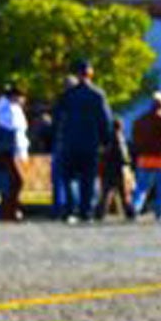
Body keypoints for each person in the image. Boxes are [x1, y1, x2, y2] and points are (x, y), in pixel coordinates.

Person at [52, 59, 113, 222]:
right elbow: (105, 120)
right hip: (90, 143)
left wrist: (59, 136)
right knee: (88, 178)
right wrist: (106, 140)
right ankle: (86, 211)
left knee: (69, 177)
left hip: (70, 143)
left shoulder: (67, 95)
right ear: (90, 73)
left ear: (77, 74)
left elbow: (57, 118)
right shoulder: (97, 95)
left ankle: (70, 209)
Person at [129, 92, 161, 221]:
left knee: (141, 188)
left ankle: (135, 207)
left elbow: (135, 139)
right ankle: (160, 213)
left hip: (144, 159)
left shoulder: (140, 120)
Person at [0, 84, 30, 221]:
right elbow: (10, 128)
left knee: (15, 181)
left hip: (16, 150)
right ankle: (9, 210)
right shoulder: (6, 109)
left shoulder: (13, 109)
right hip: (9, 150)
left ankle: (11, 210)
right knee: (17, 180)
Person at [98, 116, 132, 219]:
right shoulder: (118, 137)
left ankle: (100, 213)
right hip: (118, 170)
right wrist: (127, 162)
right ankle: (130, 213)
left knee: (105, 194)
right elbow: (122, 154)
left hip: (107, 169)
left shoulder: (105, 138)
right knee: (123, 194)